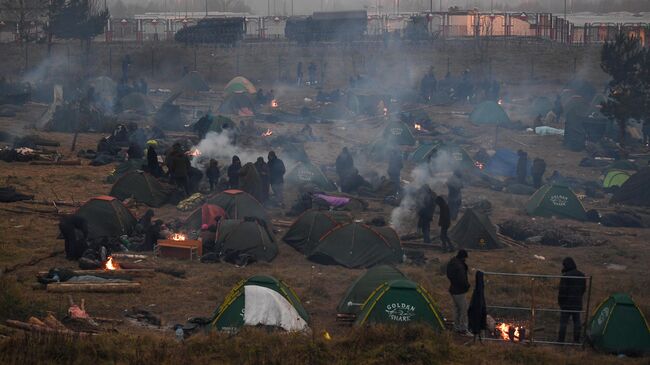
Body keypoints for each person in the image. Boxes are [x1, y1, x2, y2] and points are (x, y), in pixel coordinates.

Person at [558, 257, 586, 343]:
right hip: (577, 302)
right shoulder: (581, 275)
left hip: (566, 303)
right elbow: (583, 289)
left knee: (563, 323)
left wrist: (560, 302)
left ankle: (560, 341)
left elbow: (562, 290)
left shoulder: (566, 276)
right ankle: (576, 340)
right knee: (577, 322)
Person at [447, 249, 471, 335]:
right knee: (464, 310)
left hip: (453, 289)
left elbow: (449, 275)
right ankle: (463, 329)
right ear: (463, 257)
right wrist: (467, 286)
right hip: (459, 291)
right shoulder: (459, 266)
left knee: (457, 309)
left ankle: (456, 328)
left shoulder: (452, 262)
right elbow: (462, 280)